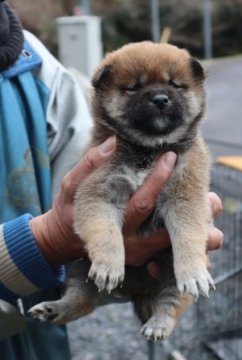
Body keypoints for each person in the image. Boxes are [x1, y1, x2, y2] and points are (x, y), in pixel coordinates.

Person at [0, 2, 224, 359]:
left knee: (179, 247)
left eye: (176, 86)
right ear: (103, 90)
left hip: (37, 344)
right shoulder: (102, 142)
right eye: (133, 89)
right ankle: (78, 300)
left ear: (198, 84)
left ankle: (163, 311)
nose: (161, 97)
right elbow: (86, 210)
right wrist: (49, 242)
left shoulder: (37, 66)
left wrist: (188, 257)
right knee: (84, 272)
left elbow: (186, 207)